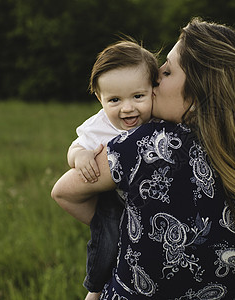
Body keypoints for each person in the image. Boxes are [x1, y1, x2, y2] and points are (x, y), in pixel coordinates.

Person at [52, 17, 235, 299]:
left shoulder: (152, 143)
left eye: (166, 72)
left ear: (197, 89)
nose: (155, 78)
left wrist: (123, 230)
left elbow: (64, 192)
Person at [52, 40, 159, 299]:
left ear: (153, 90)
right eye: (114, 100)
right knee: (107, 238)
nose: (127, 108)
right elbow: (75, 148)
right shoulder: (98, 126)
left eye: (138, 96)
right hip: (115, 198)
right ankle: (96, 288)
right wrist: (81, 156)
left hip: (151, 197)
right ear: (100, 99)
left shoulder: (159, 117)